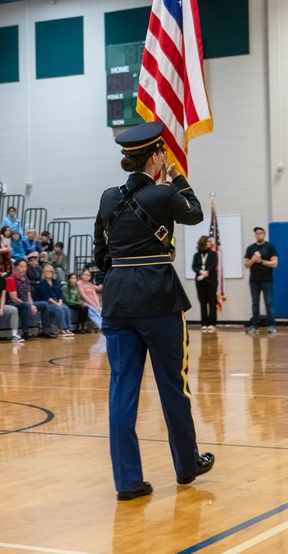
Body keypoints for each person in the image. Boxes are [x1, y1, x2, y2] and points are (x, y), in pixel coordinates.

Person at [92, 121, 213, 500]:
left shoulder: (108, 197)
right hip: (158, 300)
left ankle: (128, 482)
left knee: (121, 391)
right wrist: (179, 179)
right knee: (173, 386)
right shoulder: (163, 194)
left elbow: (101, 254)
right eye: (163, 154)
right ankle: (186, 464)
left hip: (116, 302)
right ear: (157, 157)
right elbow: (194, 214)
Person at [244, 226, 278, 334]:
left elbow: (274, 263)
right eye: (257, 233)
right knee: (255, 303)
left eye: (261, 233)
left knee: (268, 302)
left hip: (267, 280)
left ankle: (272, 325)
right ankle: (255, 325)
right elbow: (246, 265)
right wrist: (253, 260)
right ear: (255, 235)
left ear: (264, 234)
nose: (259, 235)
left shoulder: (269, 247)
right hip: (254, 280)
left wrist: (261, 261)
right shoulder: (250, 248)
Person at [7, 259, 50, 339]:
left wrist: (32, 305)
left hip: (26, 303)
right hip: (14, 304)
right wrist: (28, 305)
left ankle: (46, 331)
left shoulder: (26, 280)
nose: (23, 269)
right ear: (16, 267)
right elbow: (13, 297)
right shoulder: (11, 279)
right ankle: (25, 332)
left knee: (45, 304)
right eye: (21, 266)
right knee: (26, 305)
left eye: (25, 267)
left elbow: (29, 296)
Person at [36, 264, 73, 337]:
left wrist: (60, 301)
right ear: (44, 273)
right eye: (47, 271)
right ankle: (62, 329)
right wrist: (56, 303)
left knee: (66, 308)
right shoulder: (42, 283)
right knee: (59, 309)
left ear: (53, 273)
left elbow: (60, 294)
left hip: (57, 302)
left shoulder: (56, 282)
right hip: (48, 303)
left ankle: (67, 329)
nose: (49, 273)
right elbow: (46, 296)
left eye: (50, 271)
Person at [192, 235, 219, 331]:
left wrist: (204, 274)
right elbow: (194, 267)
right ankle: (204, 323)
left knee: (212, 302)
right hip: (200, 282)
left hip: (211, 281)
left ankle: (212, 323)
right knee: (202, 303)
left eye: (210, 241)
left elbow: (213, 266)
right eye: (207, 241)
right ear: (203, 243)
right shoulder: (196, 255)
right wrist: (200, 272)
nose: (209, 243)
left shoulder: (213, 254)